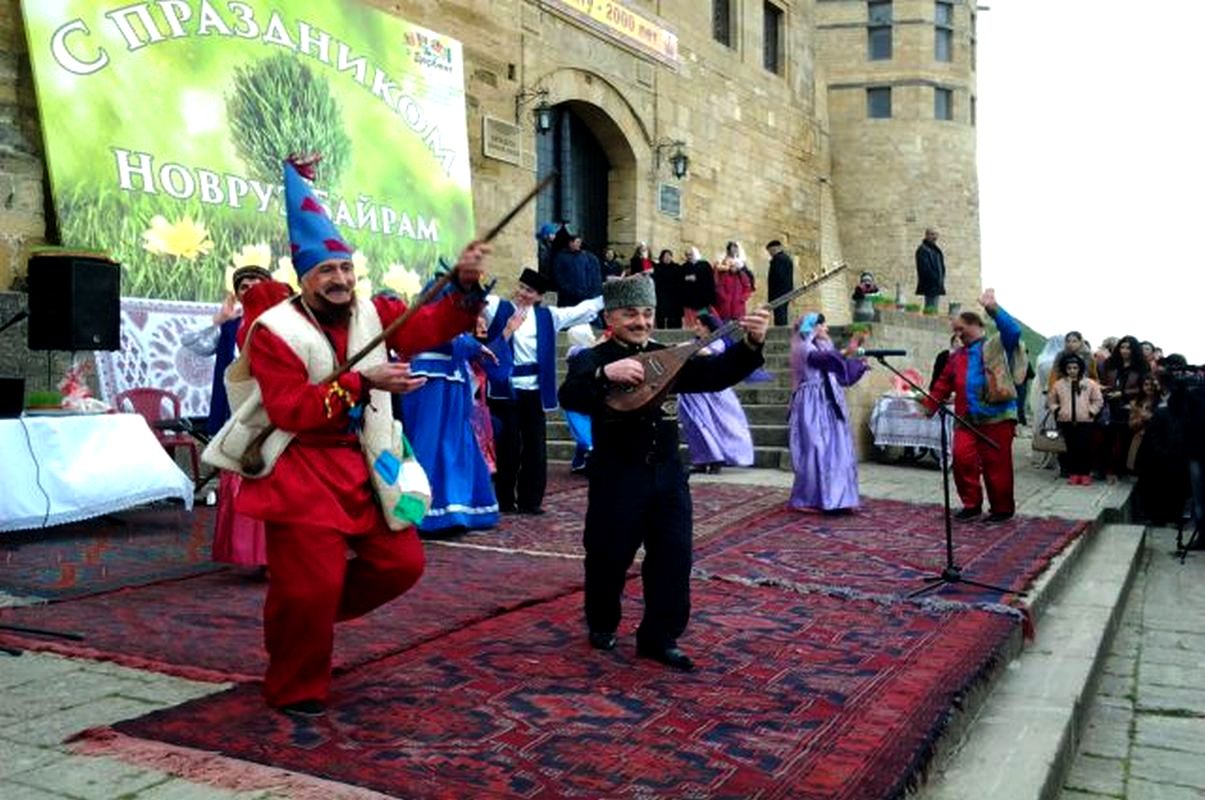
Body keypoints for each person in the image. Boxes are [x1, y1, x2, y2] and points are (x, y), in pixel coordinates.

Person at [213, 158, 489, 716]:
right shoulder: (275, 332)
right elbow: (292, 410)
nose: (339, 280)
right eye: (326, 272)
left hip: (365, 463)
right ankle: (296, 686)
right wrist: (364, 381)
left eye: (345, 269)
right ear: (303, 277)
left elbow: (431, 325)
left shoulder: (375, 311)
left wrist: (463, 285)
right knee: (308, 586)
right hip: (300, 466)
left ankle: (299, 616)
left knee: (401, 563)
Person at [559, 274, 770, 671]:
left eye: (647, 313)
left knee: (673, 557)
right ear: (610, 316)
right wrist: (606, 376)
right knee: (607, 556)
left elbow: (717, 375)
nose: (641, 321)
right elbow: (569, 395)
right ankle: (603, 621)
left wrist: (753, 342)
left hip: (669, 476)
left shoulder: (668, 356)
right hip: (618, 478)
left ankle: (660, 636)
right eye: (630, 314)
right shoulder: (593, 358)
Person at [483, 268, 603, 514]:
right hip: (506, 390)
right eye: (521, 287)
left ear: (539, 296)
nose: (522, 293)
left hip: (535, 392)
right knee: (509, 446)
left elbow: (583, 309)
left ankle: (530, 500)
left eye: (529, 291)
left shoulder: (549, 316)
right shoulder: (498, 307)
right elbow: (475, 299)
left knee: (536, 447)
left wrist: (612, 290)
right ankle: (504, 499)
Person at [181, 263, 271, 570]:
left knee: (268, 478)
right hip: (235, 412)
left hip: (270, 411)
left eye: (256, 284)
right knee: (237, 479)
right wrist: (217, 320)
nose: (250, 290)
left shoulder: (280, 322)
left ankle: (273, 554)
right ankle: (247, 552)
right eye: (244, 287)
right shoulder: (229, 326)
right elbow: (190, 344)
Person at [401, 315, 511, 534]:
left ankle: (455, 509)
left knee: (455, 442)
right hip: (432, 379)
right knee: (428, 443)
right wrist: (473, 345)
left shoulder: (457, 303)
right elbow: (438, 331)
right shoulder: (435, 302)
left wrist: (473, 346)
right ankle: (419, 511)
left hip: (451, 377)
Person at [924, 289, 1025, 523]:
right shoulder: (956, 356)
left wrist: (993, 309)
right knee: (961, 458)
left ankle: (1001, 509)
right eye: (955, 331)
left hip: (998, 417)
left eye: (961, 329)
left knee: (996, 465)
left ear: (976, 325)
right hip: (966, 418)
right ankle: (971, 504)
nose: (958, 335)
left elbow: (1013, 331)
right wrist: (929, 406)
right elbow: (942, 384)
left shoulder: (996, 345)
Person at [787, 313, 869, 513]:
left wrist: (858, 364)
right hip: (811, 404)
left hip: (831, 405)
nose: (827, 329)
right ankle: (808, 499)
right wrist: (845, 352)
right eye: (823, 326)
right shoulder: (802, 347)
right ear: (813, 327)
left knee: (837, 449)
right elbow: (821, 360)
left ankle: (839, 498)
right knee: (815, 448)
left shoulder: (825, 347)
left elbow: (840, 375)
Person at [678, 313, 755, 474]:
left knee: (720, 425)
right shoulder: (694, 342)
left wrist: (690, 350)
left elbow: (708, 353)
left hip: (714, 393)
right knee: (696, 426)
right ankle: (702, 459)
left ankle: (717, 459)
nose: (696, 327)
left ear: (707, 327)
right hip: (694, 394)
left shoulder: (717, 342)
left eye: (699, 324)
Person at [1048, 352, 1104, 485]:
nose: (1072, 371)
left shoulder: (1090, 383)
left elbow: (1098, 400)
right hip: (1065, 420)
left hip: (1085, 420)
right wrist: (1057, 410)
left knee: (1084, 447)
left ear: (1080, 368)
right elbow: (1051, 400)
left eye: (1075, 368)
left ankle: (1084, 473)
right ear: (1065, 369)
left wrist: (1091, 411)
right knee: (1070, 447)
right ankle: (1073, 473)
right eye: (1069, 368)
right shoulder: (1059, 384)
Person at [552, 233, 603, 309]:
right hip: (567, 297)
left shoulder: (585, 257)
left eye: (580, 242)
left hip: (584, 296)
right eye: (577, 242)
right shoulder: (561, 257)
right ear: (571, 243)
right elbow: (558, 275)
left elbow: (591, 275)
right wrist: (568, 290)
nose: (579, 244)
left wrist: (590, 291)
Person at [713, 241, 753, 321]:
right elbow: (719, 286)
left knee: (738, 325)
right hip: (725, 305)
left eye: (735, 248)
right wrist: (724, 298)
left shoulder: (742, 275)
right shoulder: (724, 273)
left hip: (738, 306)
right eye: (732, 247)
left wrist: (742, 298)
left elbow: (747, 288)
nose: (734, 249)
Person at [680, 246, 716, 328]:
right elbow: (680, 280)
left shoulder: (705, 265)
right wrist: (686, 278)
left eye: (691, 254)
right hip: (689, 301)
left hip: (702, 300)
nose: (689, 257)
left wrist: (697, 278)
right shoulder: (684, 266)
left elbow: (709, 281)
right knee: (690, 324)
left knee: (703, 322)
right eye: (687, 255)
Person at [915, 227, 946, 314]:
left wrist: (940, 279)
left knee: (933, 309)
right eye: (932, 234)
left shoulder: (935, 250)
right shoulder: (923, 249)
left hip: (936, 284)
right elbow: (924, 268)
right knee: (930, 308)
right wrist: (934, 278)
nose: (934, 236)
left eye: (936, 234)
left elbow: (941, 267)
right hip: (930, 284)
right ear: (927, 235)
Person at [652, 248, 684, 329]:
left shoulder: (677, 267)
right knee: (661, 318)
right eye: (665, 256)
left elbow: (682, 279)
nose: (667, 258)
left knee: (674, 319)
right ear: (662, 257)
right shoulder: (657, 268)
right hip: (661, 296)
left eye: (669, 256)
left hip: (674, 297)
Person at [766, 239, 794, 326]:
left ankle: (781, 334)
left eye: (770, 251)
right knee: (782, 315)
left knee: (780, 317)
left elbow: (778, 277)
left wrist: (772, 296)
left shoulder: (778, 259)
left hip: (778, 294)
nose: (770, 253)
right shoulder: (787, 258)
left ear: (774, 248)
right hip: (786, 292)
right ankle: (783, 333)